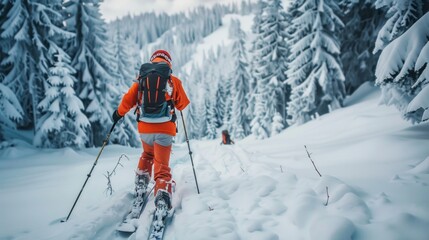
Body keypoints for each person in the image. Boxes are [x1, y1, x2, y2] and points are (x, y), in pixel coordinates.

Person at [112, 50, 190, 211]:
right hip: (165, 128)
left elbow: (128, 100)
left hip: (145, 127)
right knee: (161, 164)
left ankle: (141, 181)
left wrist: (117, 114)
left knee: (147, 154)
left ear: (153, 61)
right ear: (168, 62)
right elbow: (182, 104)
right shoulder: (172, 80)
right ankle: (162, 194)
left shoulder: (142, 79)